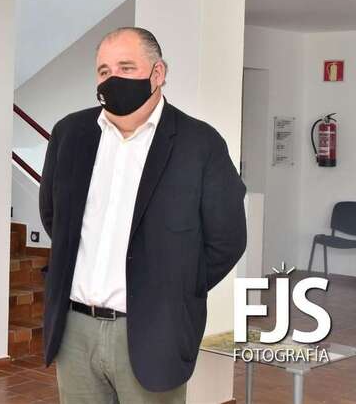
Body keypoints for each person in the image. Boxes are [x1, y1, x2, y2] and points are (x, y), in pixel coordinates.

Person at [39, 27, 247, 403]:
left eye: (126, 67)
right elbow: (54, 217)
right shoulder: (70, 134)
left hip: (154, 331)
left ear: (158, 73)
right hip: (75, 330)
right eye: (104, 71)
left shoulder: (200, 144)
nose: (113, 79)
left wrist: (175, 290)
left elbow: (227, 240)